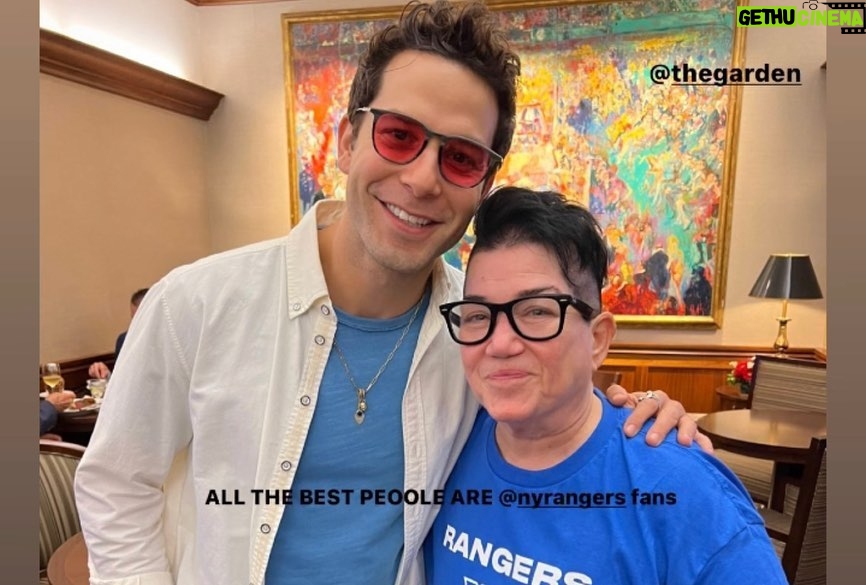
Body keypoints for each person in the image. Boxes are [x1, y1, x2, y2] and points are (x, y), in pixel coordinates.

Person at [74, 3, 707, 584]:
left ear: (483, 186)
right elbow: (115, 485)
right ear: (348, 141)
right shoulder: (196, 304)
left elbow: (555, 408)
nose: (423, 179)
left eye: (460, 158)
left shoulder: (481, 331)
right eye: (399, 135)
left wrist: (639, 414)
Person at [426, 187, 786, 584]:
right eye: (478, 315)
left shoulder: (686, 496)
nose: (500, 343)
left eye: (537, 312)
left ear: (598, 339)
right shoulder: (447, 444)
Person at [87, 287, 149, 379]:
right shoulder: (124, 340)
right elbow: (122, 383)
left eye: (141, 320)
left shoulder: (171, 346)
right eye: (133, 320)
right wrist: (106, 375)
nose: (135, 326)